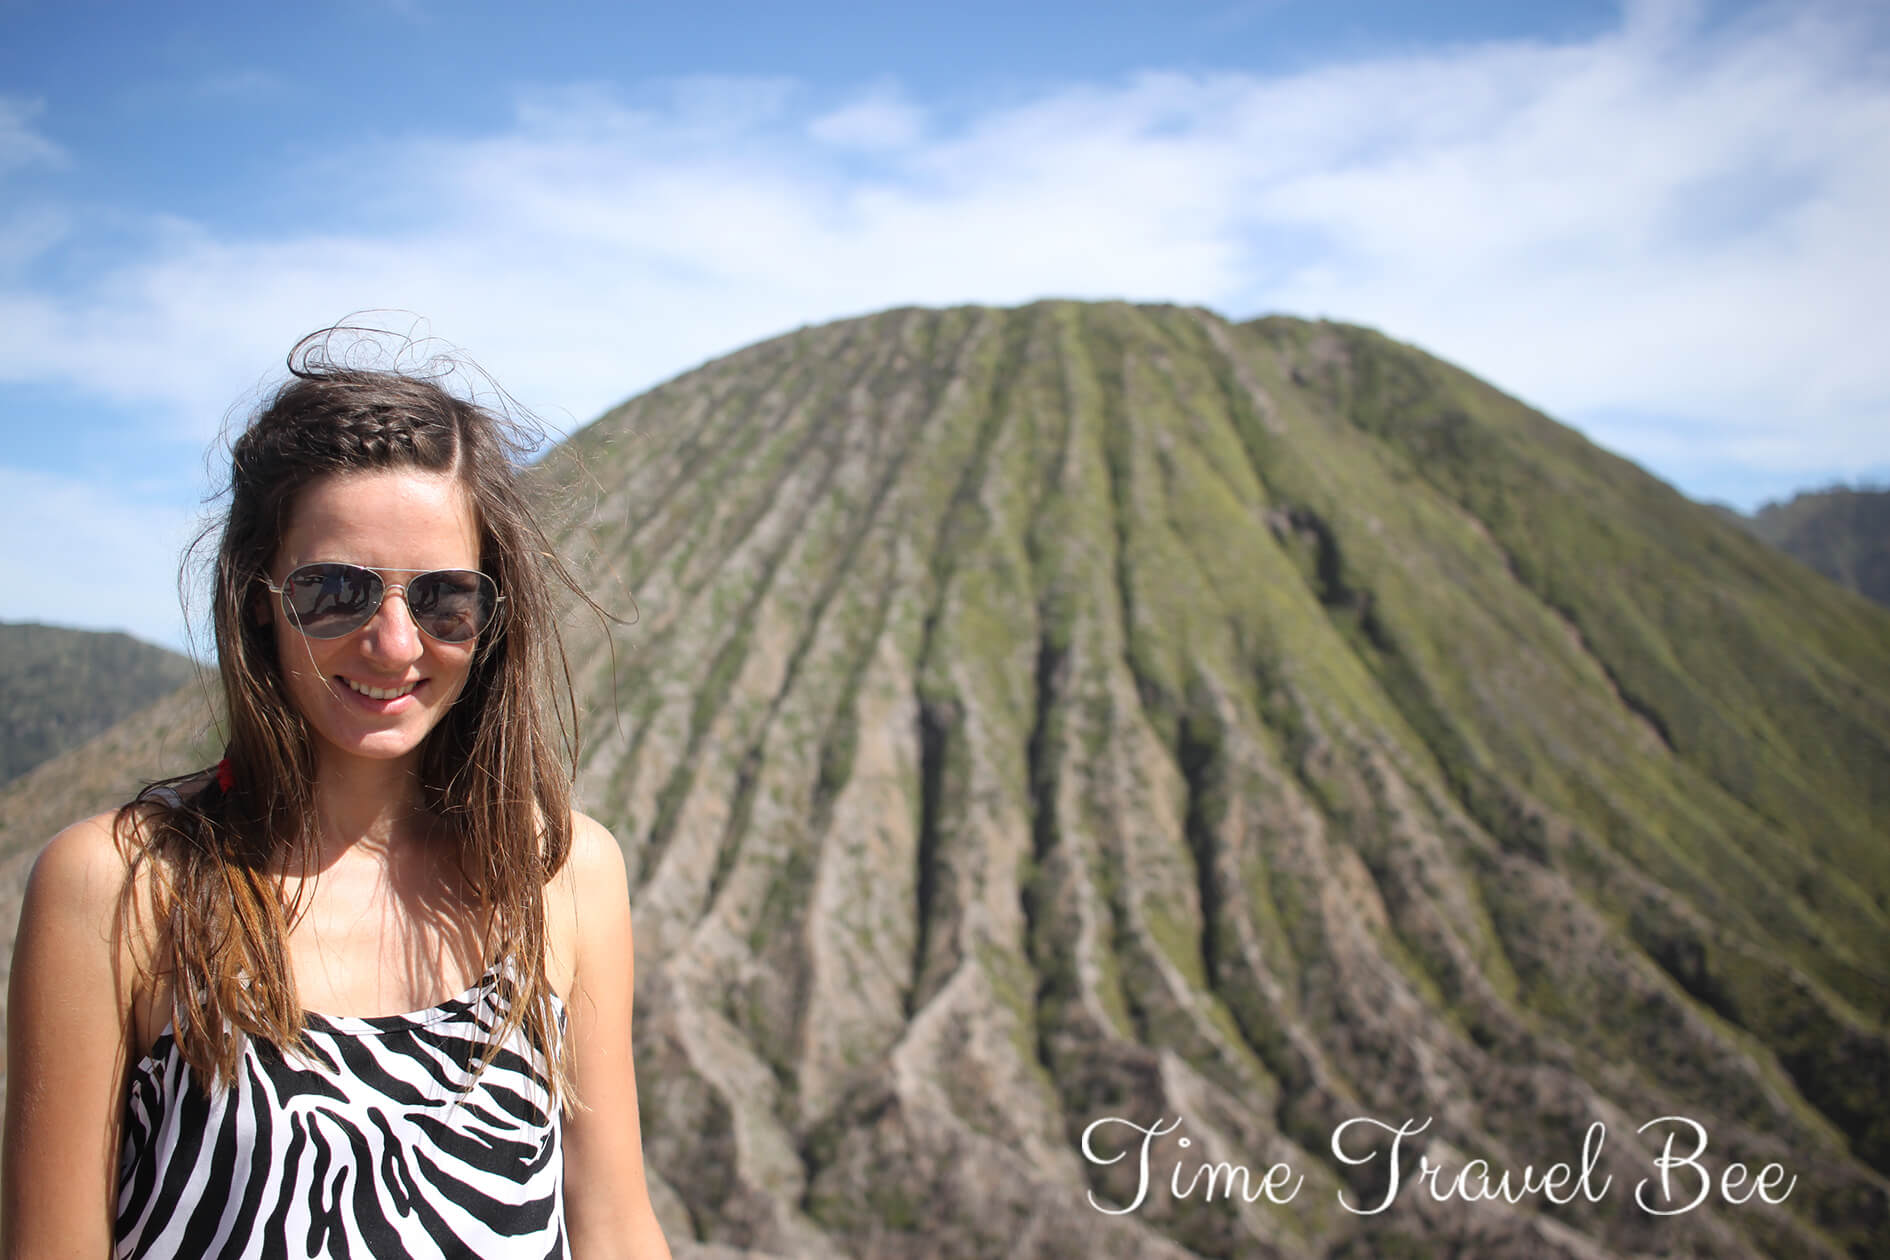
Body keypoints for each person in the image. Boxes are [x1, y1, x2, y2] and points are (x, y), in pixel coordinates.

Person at [1, 330, 673, 1259]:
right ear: (259, 600)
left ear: (491, 616)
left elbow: (615, 1231)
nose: (395, 643)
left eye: (444, 599)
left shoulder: (561, 871)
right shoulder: (121, 889)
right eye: (336, 592)